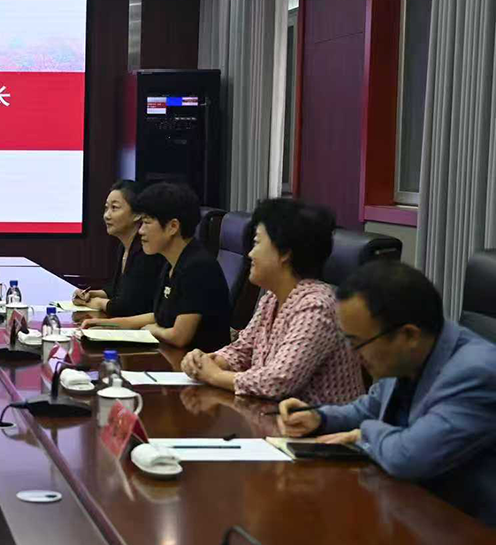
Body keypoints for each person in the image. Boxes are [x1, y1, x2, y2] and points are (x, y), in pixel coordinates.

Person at [277, 261, 496, 526]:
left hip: (469, 532)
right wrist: (319, 418)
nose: (353, 354)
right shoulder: (410, 355)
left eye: (359, 343)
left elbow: (409, 458)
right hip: (412, 510)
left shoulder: (477, 373)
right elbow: (370, 407)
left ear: (408, 335)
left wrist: (365, 433)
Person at [182, 198, 364, 405]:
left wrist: (214, 375)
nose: (250, 254)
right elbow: (242, 350)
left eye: (257, 243)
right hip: (273, 416)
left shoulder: (316, 306)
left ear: (285, 253)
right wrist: (208, 361)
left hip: (318, 423)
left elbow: (278, 381)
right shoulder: (272, 298)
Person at [80, 182, 230, 351]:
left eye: (147, 223)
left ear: (173, 227)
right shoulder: (171, 263)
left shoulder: (197, 267)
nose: (141, 231)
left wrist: (154, 330)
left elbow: (179, 336)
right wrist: (104, 324)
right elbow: (157, 317)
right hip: (171, 354)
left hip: (196, 361)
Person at [73, 179, 165, 317]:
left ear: (137, 214)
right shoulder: (123, 246)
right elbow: (117, 290)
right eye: (106, 208)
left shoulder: (146, 250)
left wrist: (98, 303)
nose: (106, 215)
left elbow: (128, 306)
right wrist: (92, 294)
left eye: (114, 208)